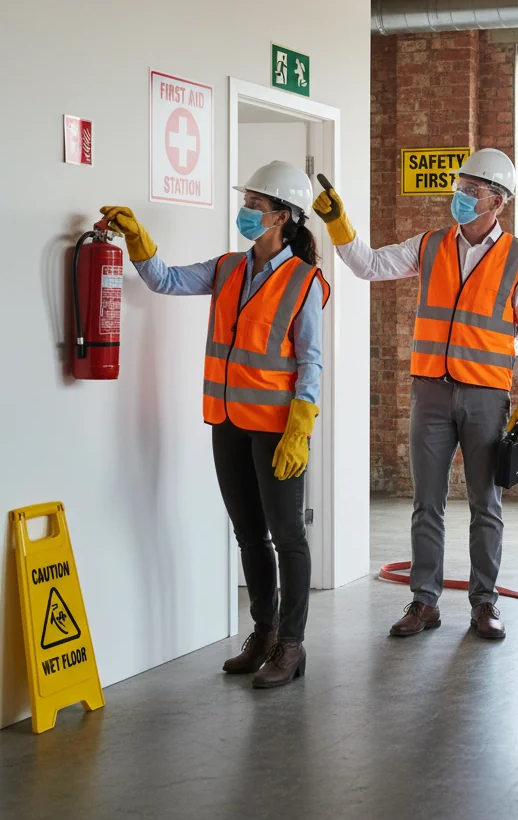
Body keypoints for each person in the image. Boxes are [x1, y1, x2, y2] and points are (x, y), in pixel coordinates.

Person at [100, 160, 328, 688]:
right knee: (249, 533)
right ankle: (264, 634)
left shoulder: (304, 281)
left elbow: (311, 359)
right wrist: (139, 239)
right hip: (226, 421)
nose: (245, 212)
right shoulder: (228, 267)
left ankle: (292, 646)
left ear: (282, 218)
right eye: (245, 202)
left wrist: (301, 424)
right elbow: (165, 280)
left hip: (277, 429)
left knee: (287, 535)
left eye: (254, 205)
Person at [314, 148, 518, 640]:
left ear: (498, 202)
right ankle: (424, 601)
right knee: (427, 503)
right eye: (458, 188)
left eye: (471, 191)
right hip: (431, 393)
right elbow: (369, 265)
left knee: (486, 503)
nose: (460, 197)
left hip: (486, 396)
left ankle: (485, 602)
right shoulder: (431, 244)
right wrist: (339, 225)